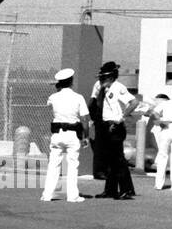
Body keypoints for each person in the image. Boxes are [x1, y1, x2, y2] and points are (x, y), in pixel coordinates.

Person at [40, 68, 88, 203]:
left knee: (54, 164)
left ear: (59, 83)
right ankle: (72, 196)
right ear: (72, 81)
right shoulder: (79, 97)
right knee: (72, 165)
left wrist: (57, 90)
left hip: (58, 134)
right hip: (73, 134)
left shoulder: (53, 97)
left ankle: (47, 194)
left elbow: (50, 107)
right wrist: (86, 137)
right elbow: (85, 119)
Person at [94, 61, 138, 200]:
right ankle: (110, 190)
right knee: (110, 160)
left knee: (118, 159)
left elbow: (134, 102)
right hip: (105, 125)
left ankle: (126, 190)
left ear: (111, 77)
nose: (101, 80)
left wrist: (121, 118)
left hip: (115, 126)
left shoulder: (118, 87)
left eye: (104, 78)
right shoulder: (103, 88)